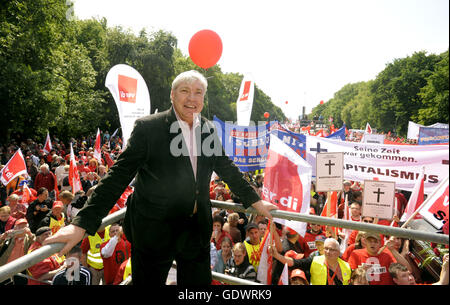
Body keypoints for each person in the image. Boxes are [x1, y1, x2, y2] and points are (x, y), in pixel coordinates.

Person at [44, 70, 277, 285]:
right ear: (172, 95)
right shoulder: (149, 128)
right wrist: (81, 224)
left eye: (198, 92)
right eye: (185, 91)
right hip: (154, 232)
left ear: (204, 98)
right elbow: (118, 176)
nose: (192, 98)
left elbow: (225, 167)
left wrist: (255, 201)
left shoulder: (207, 129)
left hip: (194, 232)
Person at [270, 238, 352, 285]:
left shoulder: (347, 267)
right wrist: (277, 256)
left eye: (331, 249)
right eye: (326, 248)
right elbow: (294, 263)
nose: (327, 251)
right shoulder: (315, 260)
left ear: (338, 252)